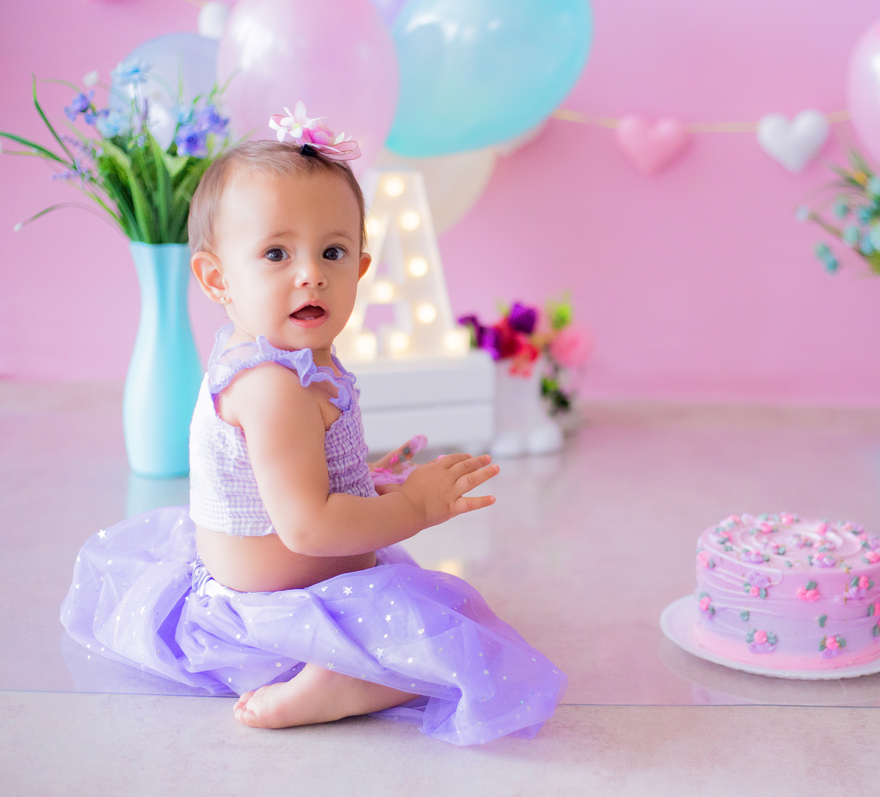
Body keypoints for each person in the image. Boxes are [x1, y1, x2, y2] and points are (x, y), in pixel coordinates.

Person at [60, 108, 566, 745]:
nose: (311, 272)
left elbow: (292, 481)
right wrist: (416, 504)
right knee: (459, 646)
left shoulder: (282, 356)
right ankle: (335, 681)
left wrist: (368, 484)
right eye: (276, 252)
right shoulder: (274, 388)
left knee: (446, 617)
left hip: (288, 585)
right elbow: (306, 526)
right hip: (276, 616)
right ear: (219, 279)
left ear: (359, 268)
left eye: (332, 251)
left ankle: (342, 668)